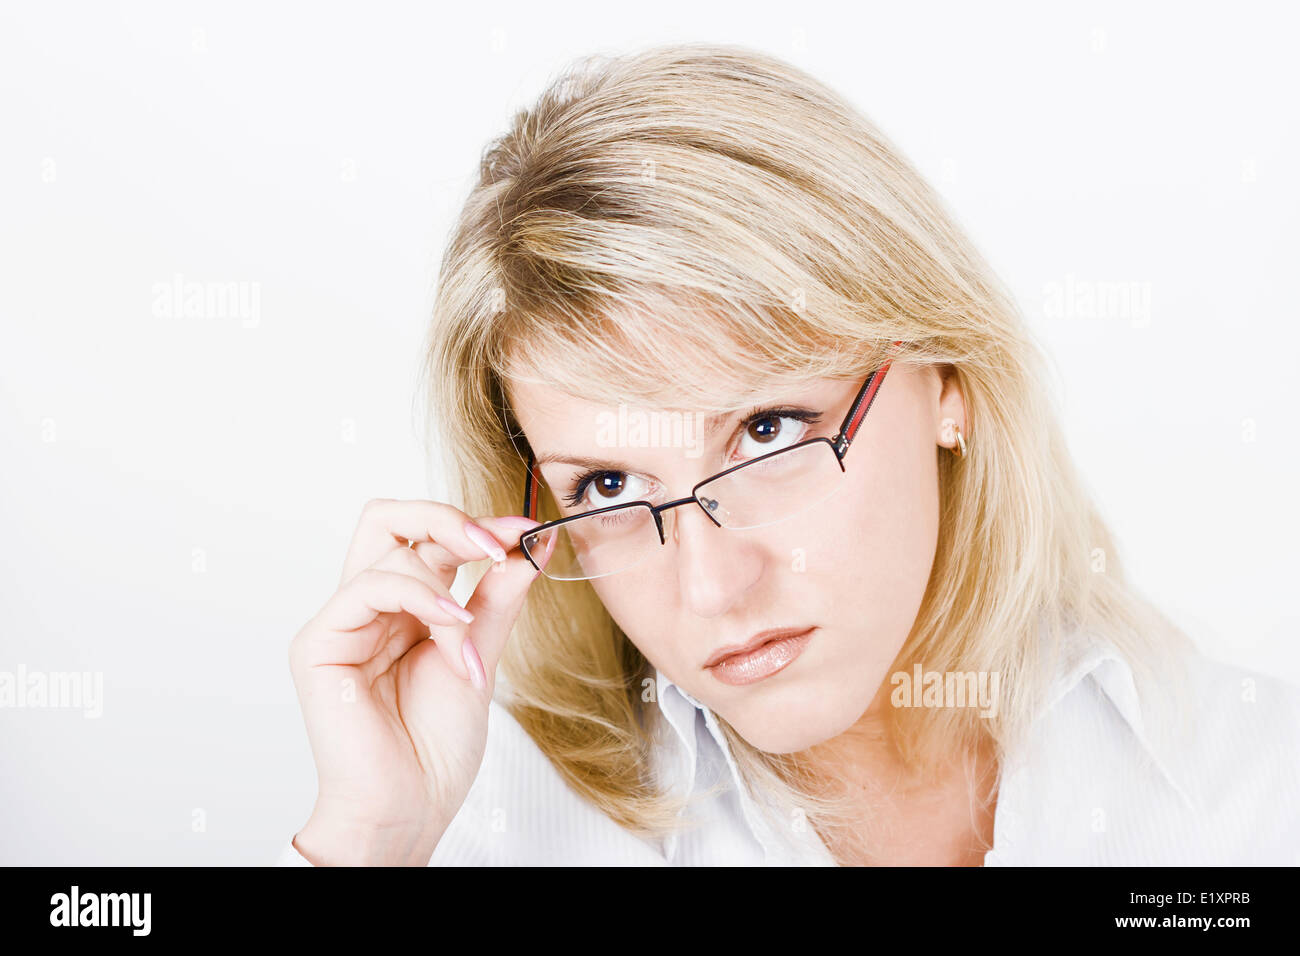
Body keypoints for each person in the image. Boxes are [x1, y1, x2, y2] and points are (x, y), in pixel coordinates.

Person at [277, 43, 1299, 866]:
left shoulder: (1254, 787)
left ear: (948, 381)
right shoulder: (496, 829)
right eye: (609, 484)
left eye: (768, 428)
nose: (712, 583)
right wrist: (371, 842)